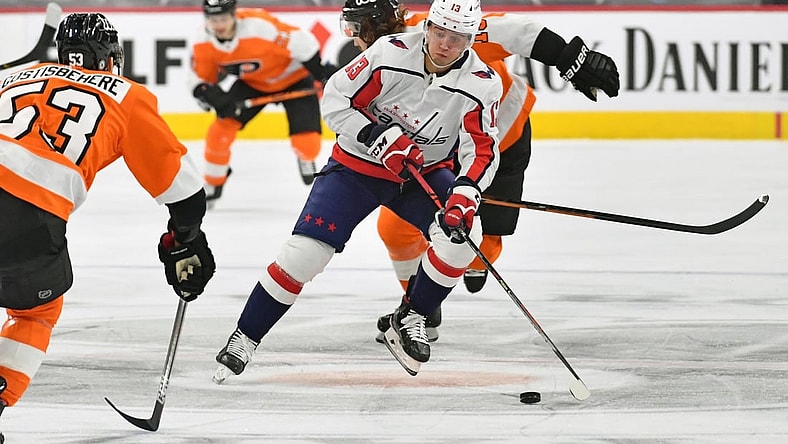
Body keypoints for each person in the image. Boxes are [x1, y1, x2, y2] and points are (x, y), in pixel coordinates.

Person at [212, 0, 501, 382]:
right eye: (440, 32)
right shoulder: (389, 53)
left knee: (466, 236)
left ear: (471, 38)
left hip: (421, 174)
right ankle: (244, 338)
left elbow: (481, 148)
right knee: (304, 255)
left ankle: (412, 315)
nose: (446, 44)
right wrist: (376, 135)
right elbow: (335, 100)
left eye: (458, 37)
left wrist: (466, 191)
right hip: (356, 168)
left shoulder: (482, 82)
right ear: (428, 26)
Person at [339, 0, 619, 342]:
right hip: (439, 152)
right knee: (395, 230)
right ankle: (420, 310)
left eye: (355, 29)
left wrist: (570, 59)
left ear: (374, 25)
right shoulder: (376, 59)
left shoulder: (441, 30)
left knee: (484, 243)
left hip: (502, 137)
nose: (352, 39)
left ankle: (475, 260)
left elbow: (513, 31)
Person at [0, 12, 216, 436]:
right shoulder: (126, 95)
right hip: (27, 214)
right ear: (109, 58)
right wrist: (185, 239)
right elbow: (182, 189)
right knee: (35, 312)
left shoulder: (16, 76)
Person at [190, 0, 338, 207]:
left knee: (307, 145)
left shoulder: (259, 26)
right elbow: (200, 81)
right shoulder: (203, 41)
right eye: (213, 20)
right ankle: (214, 183)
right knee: (220, 131)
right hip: (253, 83)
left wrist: (319, 72)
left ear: (234, 15)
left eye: (223, 18)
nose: (219, 25)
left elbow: (303, 41)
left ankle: (305, 157)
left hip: (294, 78)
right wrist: (217, 100)